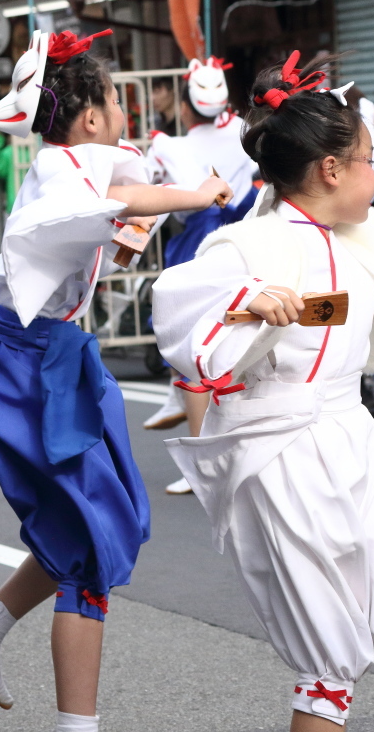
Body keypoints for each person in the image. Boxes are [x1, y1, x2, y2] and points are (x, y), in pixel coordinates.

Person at [151, 51, 374, 732]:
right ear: (331, 170)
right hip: (275, 451)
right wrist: (250, 300)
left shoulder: (369, 234)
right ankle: (343, 673)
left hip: (350, 436)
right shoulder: (248, 243)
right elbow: (180, 299)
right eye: (370, 159)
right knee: (327, 656)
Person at [0, 29, 227, 732]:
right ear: (90, 116)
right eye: (116, 101)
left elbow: (114, 207)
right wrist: (200, 192)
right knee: (96, 539)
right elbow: (125, 195)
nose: (123, 113)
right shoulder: (73, 172)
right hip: (27, 365)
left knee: (88, 525)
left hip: (40, 358)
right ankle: (76, 724)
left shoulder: (70, 165)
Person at [141, 58, 260, 493]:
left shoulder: (172, 145)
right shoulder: (247, 131)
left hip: (197, 247)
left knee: (195, 348)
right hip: (247, 242)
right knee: (237, 345)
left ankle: (202, 462)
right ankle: (234, 452)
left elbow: (157, 200)